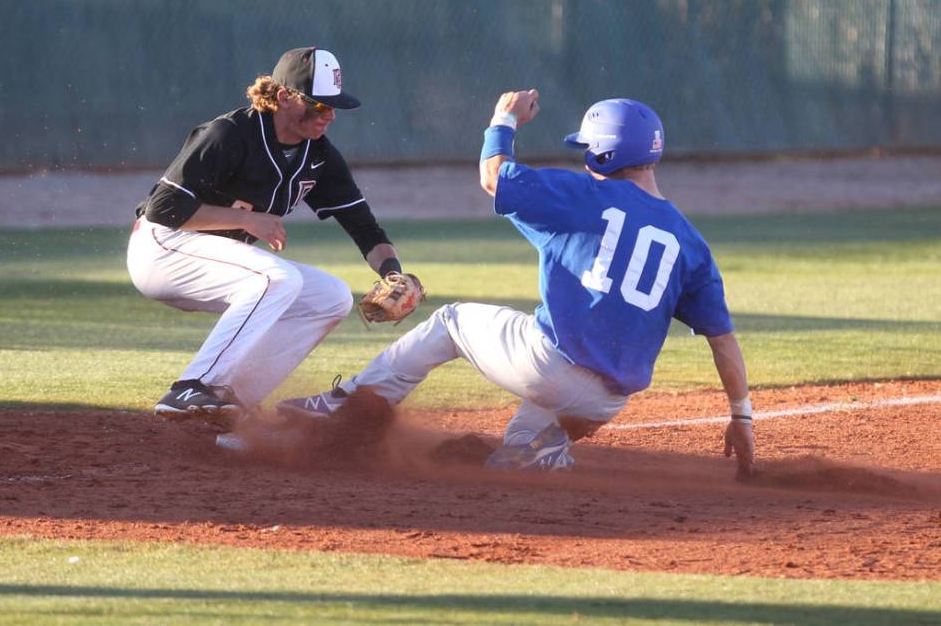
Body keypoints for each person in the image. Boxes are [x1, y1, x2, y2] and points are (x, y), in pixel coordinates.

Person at [276, 89, 756, 477]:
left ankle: (349, 405)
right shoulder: (691, 242)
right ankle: (538, 448)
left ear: (607, 152)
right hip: (604, 403)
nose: (586, 157)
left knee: (451, 321)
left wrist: (502, 121)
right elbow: (723, 341)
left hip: (547, 366)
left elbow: (493, 177)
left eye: (589, 148)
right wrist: (741, 416)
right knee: (523, 439)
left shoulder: (582, 193)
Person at [127, 47, 408, 428]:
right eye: (319, 105)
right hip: (163, 249)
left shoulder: (319, 155)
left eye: (333, 107)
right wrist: (253, 221)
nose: (329, 116)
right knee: (277, 278)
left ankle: (231, 400)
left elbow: (363, 226)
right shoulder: (229, 134)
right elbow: (163, 210)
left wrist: (393, 273)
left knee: (331, 297)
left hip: (217, 260)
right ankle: (193, 386)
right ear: (283, 96)